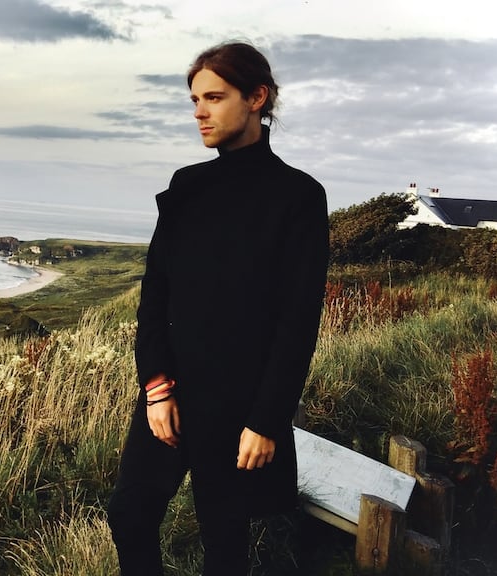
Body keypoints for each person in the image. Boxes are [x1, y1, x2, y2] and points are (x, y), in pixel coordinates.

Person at [106, 41, 330, 575]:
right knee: (130, 515)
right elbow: (155, 294)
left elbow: (298, 322)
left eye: (214, 97)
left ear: (257, 97)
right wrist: (156, 387)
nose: (199, 112)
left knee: (224, 543)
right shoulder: (187, 186)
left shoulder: (298, 196)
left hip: (240, 405)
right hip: (172, 394)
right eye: (195, 100)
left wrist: (266, 421)